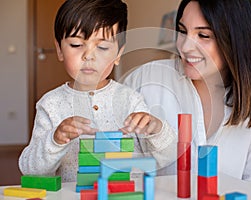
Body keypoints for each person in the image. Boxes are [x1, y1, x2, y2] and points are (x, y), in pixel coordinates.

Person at [122, 0, 251, 190]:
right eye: (182, 31)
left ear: (235, 39)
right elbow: (118, 169)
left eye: (203, 35)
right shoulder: (144, 80)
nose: (186, 47)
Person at [19, 0, 176, 182]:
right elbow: (30, 170)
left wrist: (156, 129)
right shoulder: (50, 104)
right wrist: (55, 140)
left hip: (127, 194)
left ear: (118, 54)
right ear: (59, 49)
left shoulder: (130, 100)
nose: (89, 55)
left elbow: (168, 157)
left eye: (102, 47)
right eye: (77, 45)